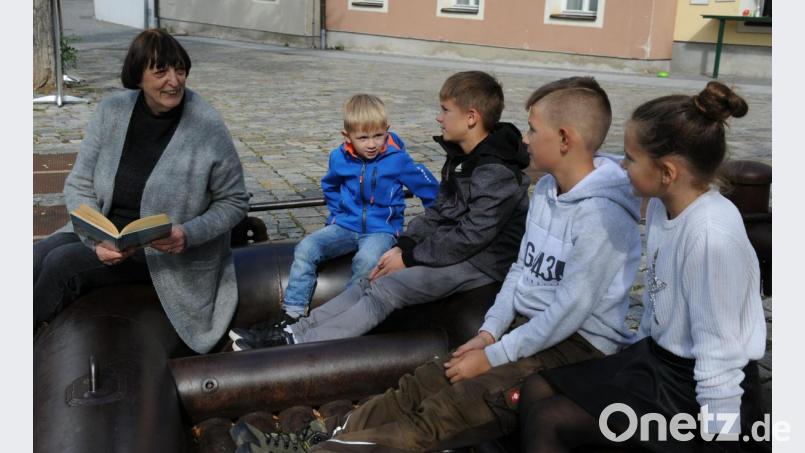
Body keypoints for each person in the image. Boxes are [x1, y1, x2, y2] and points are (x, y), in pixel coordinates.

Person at [232, 76, 643, 453]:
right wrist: (488, 333)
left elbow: (567, 312)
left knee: (454, 406)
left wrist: (494, 357)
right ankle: (325, 434)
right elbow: (522, 270)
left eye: (533, 129)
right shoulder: (548, 191)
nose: (526, 140)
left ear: (565, 138)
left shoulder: (602, 218)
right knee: (428, 380)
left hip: (575, 345)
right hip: (526, 329)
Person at [517, 81, 767, 453]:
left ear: (667, 172)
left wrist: (722, 439)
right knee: (537, 387)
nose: (622, 165)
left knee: (549, 419)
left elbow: (721, 356)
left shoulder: (711, 237)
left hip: (697, 397)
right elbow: (659, 305)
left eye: (631, 158)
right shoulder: (665, 207)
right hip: (657, 363)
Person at [234, 70, 531, 352]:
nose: (439, 118)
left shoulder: (495, 171)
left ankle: (301, 343)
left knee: (388, 288)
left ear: (471, 117)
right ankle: (296, 328)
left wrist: (411, 257)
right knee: (373, 275)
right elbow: (440, 212)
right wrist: (404, 245)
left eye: (445, 110)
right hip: (456, 249)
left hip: (481, 262)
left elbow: (472, 236)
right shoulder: (463, 158)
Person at [33, 29, 250, 354]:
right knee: (35, 256)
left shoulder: (206, 126)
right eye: (160, 71)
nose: (174, 81)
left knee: (62, 265)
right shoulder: (111, 112)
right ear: (138, 76)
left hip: (165, 253)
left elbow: (234, 202)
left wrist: (186, 234)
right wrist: (97, 240)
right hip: (107, 234)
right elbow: (78, 183)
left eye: (180, 69)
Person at [230, 94, 438, 347]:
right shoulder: (339, 158)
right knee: (307, 248)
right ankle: (292, 312)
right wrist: (337, 215)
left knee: (367, 261)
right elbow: (330, 184)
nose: (371, 144)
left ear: (387, 131)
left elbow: (430, 190)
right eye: (362, 138)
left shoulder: (398, 160)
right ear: (347, 135)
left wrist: (435, 221)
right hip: (345, 225)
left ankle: (346, 320)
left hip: (381, 230)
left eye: (378, 136)